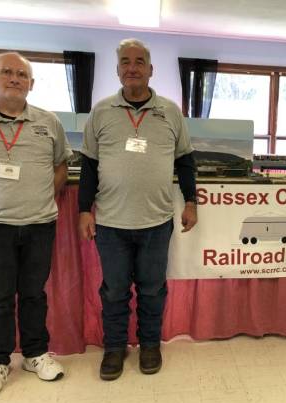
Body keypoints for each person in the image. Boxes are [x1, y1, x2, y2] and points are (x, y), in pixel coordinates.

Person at [78, 38, 197, 380]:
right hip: (112, 223)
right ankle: (115, 348)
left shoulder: (170, 111)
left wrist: (191, 201)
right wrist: (84, 210)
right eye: (125, 62)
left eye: (139, 61)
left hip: (156, 221)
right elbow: (88, 165)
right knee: (114, 291)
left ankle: (149, 345)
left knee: (151, 289)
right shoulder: (101, 111)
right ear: (117, 70)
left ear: (150, 69)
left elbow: (185, 161)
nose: (132, 67)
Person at [0, 52, 71, 398]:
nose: (14, 79)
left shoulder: (48, 122)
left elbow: (61, 167)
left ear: (31, 84)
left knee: (35, 293)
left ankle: (36, 354)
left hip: (39, 223)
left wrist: (39, 197)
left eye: (22, 74)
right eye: (6, 72)